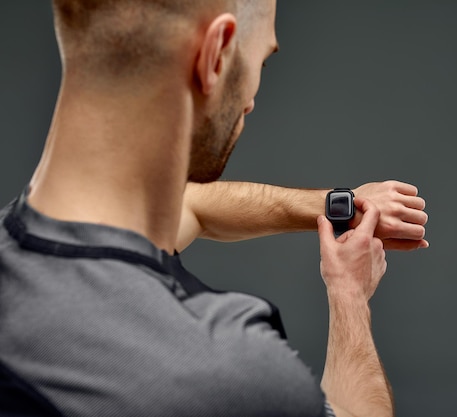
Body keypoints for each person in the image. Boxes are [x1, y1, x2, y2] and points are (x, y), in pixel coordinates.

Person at [0, 1, 428, 417]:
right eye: (260, 63)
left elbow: (192, 206)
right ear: (216, 55)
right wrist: (349, 294)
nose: (252, 100)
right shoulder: (228, 376)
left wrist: (341, 205)